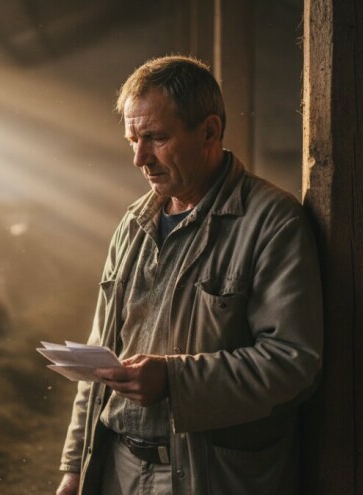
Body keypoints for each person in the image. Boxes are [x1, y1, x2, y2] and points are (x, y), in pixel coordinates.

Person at [55, 55, 323, 495]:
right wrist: (74, 467)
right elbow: (101, 352)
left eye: (157, 138)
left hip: (210, 476)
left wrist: (175, 381)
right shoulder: (133, 224)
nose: (140, 158)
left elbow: (292, 362)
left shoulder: (271, 222)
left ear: (210, 132)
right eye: (133, 140)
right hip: (121, 468)